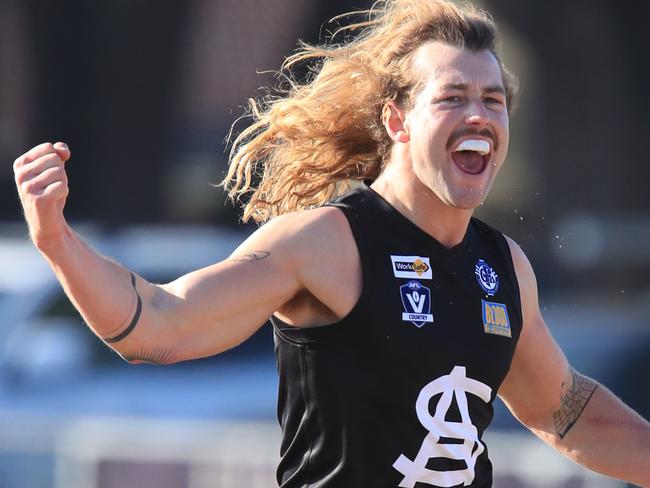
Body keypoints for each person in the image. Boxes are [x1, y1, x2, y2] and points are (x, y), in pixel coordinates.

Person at [12, 1, 650, 486]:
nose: (478, 115)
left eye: (492, 99)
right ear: (396, 119)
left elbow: (565, 410)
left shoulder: (502, 265)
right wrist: (57, 241)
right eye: (452, 98)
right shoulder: (327, 242)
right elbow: (161, 324)